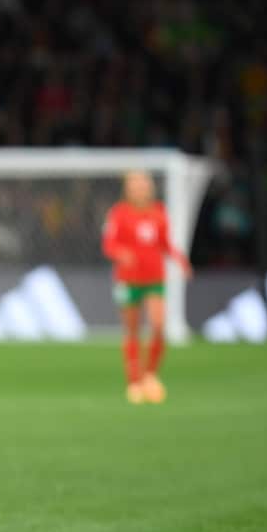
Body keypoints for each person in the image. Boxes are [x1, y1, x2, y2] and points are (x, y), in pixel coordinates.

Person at [101, 171, 191, 404]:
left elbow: (164, 243)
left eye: (143, 184)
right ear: (128, 189)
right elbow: (109, 244)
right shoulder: (119, 213)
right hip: (128, 279)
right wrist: (121, 253)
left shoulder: (159, 212)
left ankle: (149, 375)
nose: (141, 188)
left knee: (158, 325)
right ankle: (134, 382)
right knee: (132, 330)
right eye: (136, 184)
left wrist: (179, 259)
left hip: (154, 278)